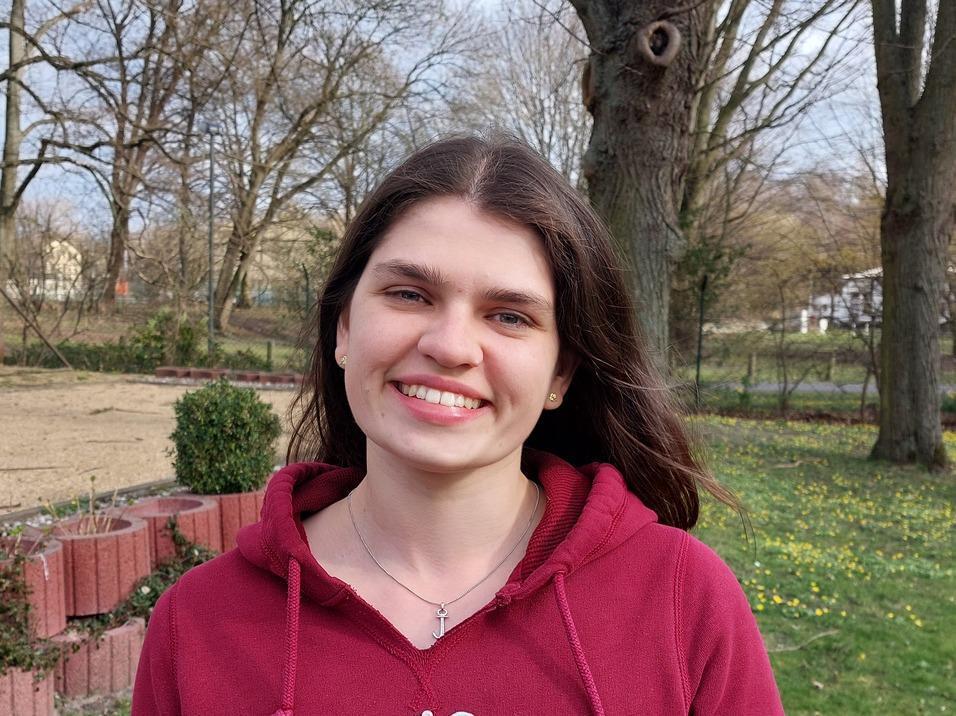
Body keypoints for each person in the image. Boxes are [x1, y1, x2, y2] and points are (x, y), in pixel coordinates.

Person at [133, 135, 784, 715]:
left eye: (509, 316)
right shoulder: (197, 621)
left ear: (561, 372)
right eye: (409, 294)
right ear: (344, 328)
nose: (449, 346)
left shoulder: (682, 598)